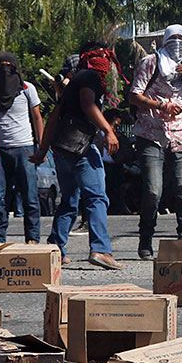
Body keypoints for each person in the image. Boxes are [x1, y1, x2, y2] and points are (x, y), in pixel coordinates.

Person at [32, 42, 124, 269]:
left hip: (62, 148)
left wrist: (43, 149)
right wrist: (108, 130)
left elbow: (54, 117)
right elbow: (88, 104)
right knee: (96, 198)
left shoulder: (73, 83)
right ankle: (101, 249)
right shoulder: (89, 77)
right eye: (100, 56)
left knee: (69, 200)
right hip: (81, 148)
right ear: (88, 58)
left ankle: (55, 249)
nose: (104, 61)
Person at [129, 25, 182, 258]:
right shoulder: (150, 62)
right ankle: (146, 239)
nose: (177, 43)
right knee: (153, 190)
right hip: (151, 133)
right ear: (165, 40)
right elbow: (134, 95)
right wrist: (161, 105)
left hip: (181, 135)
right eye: (173, 38)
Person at [0, 52, 43, 247]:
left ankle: (33, 238)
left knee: (30, 196)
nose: (5, 70)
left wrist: (42, 146)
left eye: (9, 65)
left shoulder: (27, 89)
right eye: (1, 65)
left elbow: (37, 117)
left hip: (24, 148)